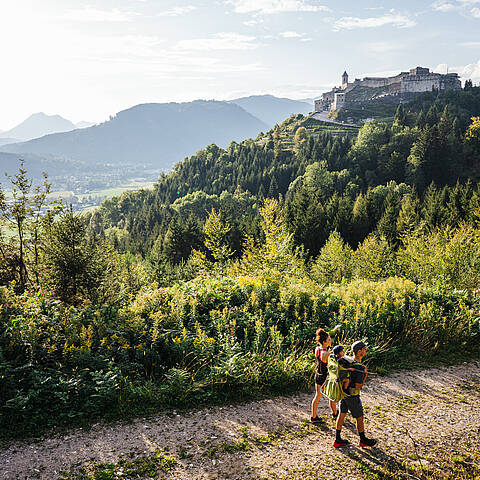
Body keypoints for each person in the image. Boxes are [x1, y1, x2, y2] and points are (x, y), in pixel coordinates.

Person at [333, 340, 377, 448]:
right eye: (364, 349)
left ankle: (337, 439)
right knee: (359, 417)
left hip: (344, 393)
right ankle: (363, 440)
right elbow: (358, 386)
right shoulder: (360, 368)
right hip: (353, 395)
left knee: (341, 415)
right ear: (359, 351)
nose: (366, 350)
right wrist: (365, 375)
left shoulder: (348, 361)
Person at [311, 328, 338, 423]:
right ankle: (335, 413)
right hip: (325, 378)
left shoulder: (317, 349)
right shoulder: (326, 353)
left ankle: (313, 416)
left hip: (318, 374)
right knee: (332, 396)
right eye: (329, 340)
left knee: (317, 396)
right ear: (325, 342)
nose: (331, 341)